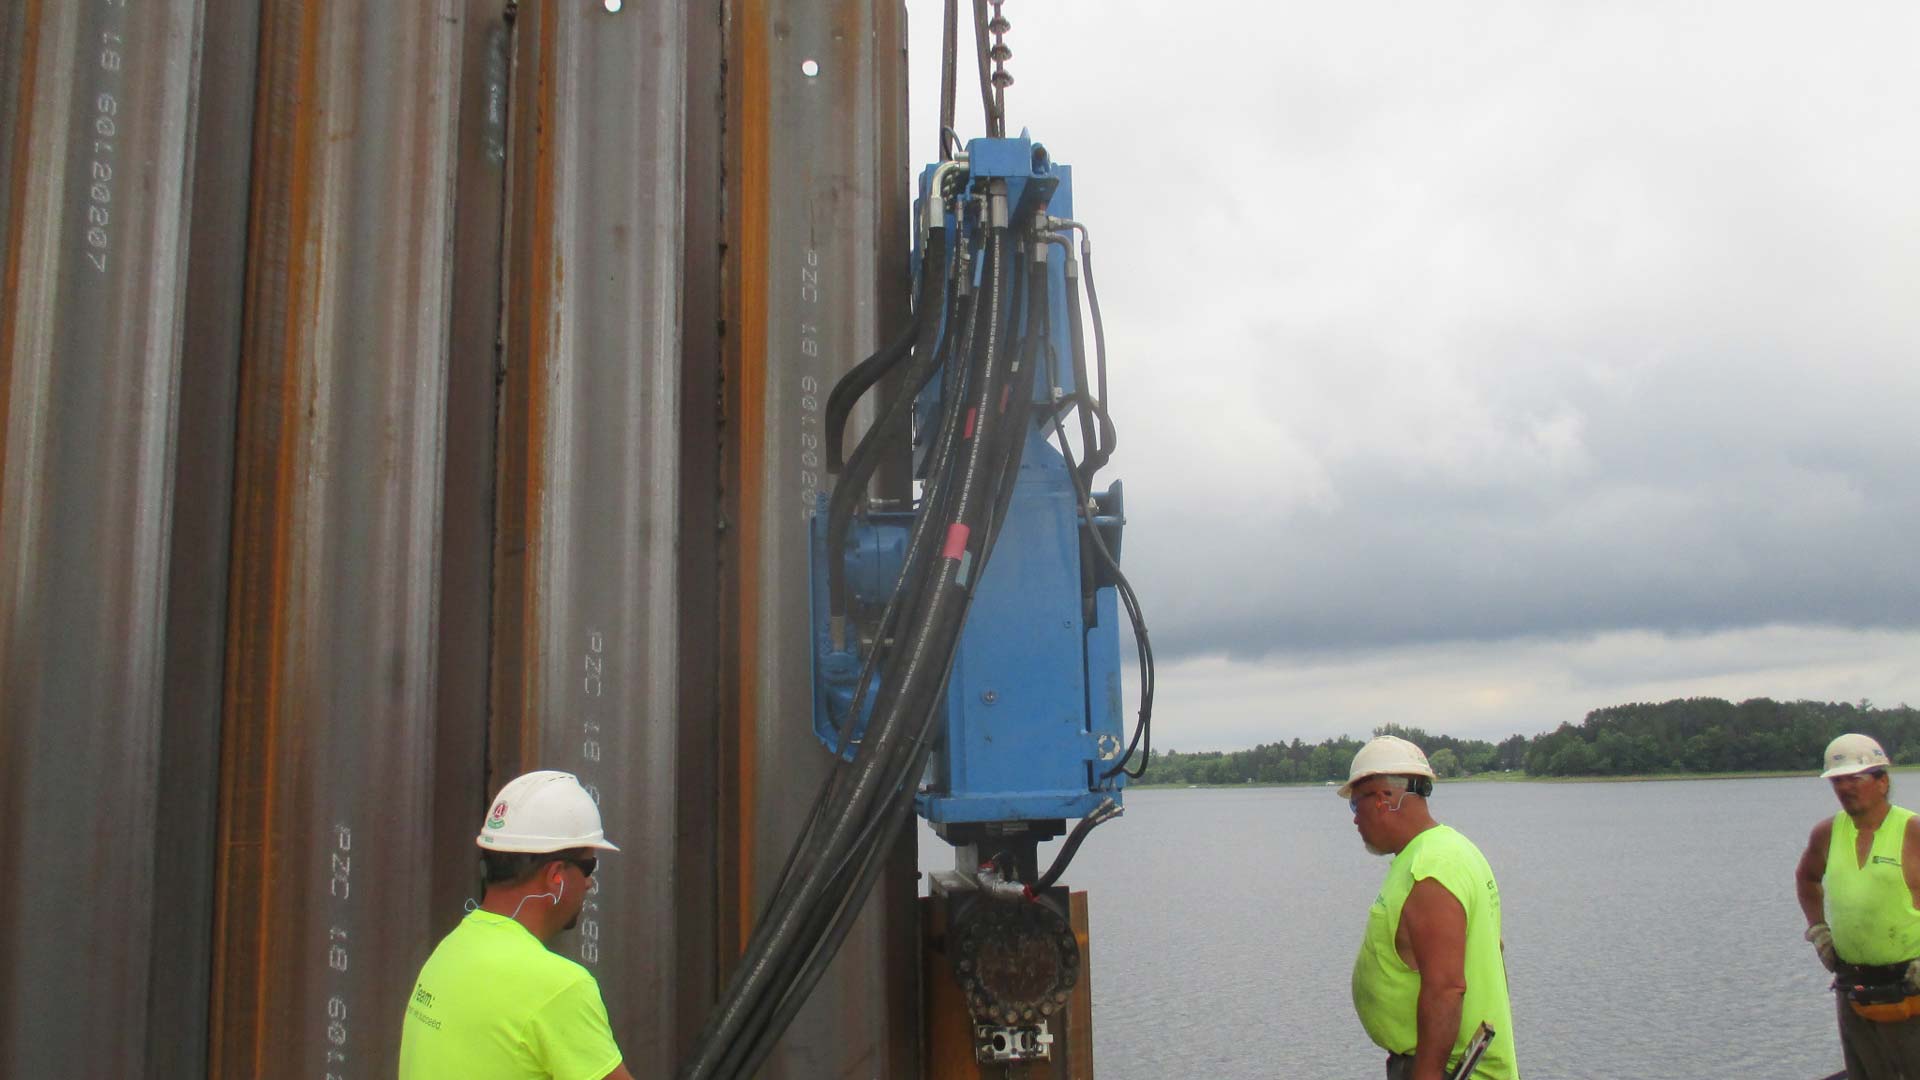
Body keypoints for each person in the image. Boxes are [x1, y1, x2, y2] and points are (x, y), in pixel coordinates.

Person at [399, 770, 634, 1080]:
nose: (590, 883)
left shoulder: (449, 952)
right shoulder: (561, 988)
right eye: (588, 866)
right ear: (556, 876)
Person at [1344, 735, 1518, 1080]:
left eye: (1354, 805)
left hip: (1448, 1070)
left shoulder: (1432, 869)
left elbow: (1446, 988)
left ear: (1382, 799)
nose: (1353, 819)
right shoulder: (1449, 851)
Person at [1794, 733, 1920, 1077]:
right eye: (1837, 781)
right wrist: (1819, 930)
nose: (1845, 788)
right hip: (1854, 986)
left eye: (1855, 778)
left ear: (1882, 781)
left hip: (1911, 988)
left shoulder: (1912, 831)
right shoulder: (1827, 834)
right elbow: (1806, 880)